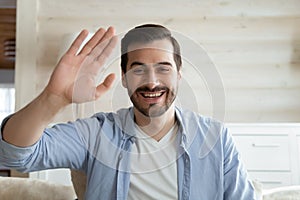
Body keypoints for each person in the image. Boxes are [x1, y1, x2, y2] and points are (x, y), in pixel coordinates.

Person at [0, 24, 257, 199]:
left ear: (179, 75)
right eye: (138, 69)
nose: (152, 81)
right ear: (124, 77)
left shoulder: (215, 137)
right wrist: (53, 99)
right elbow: (15, 155)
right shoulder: (96, 133)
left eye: (163, 68)